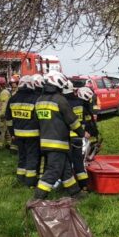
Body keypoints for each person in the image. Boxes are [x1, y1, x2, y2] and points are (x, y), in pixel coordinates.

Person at [34, 71, 82, 200]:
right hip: (58, 143)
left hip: (44, 142)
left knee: (66, 170)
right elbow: (72, 120)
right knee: (54, 171)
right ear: (58, 83)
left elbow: (36, 121)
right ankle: (37, 198)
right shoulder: (60, 100)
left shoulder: (39, 100)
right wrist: (82, 133)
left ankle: (76, 193)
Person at [6, 75, 40, 188]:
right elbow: (39, 118)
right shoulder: (36, 99)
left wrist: (12, 134)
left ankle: (20, 179)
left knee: (22, 156)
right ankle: (30, 183)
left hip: (17, 134)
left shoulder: (13, 99)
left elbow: (8, 119)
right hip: (33, 134)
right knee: (32, 157)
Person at [63, 85, 92, 191]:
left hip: (67, 137)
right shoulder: (80, 102)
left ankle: (70, 186)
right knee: (79, 162)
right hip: (79, 137)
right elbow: (87, 119)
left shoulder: (63, 104)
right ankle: (84, 184)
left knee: (68, 163)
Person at [0, 77, 12, 150]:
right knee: (6, 130)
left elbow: (5, 104)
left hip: (2, 114)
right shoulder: (0, 92)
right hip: (3, 114)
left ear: (2, 84)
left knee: (0, 130)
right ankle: (9, 144)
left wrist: (1, 114)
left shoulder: (4, 93)